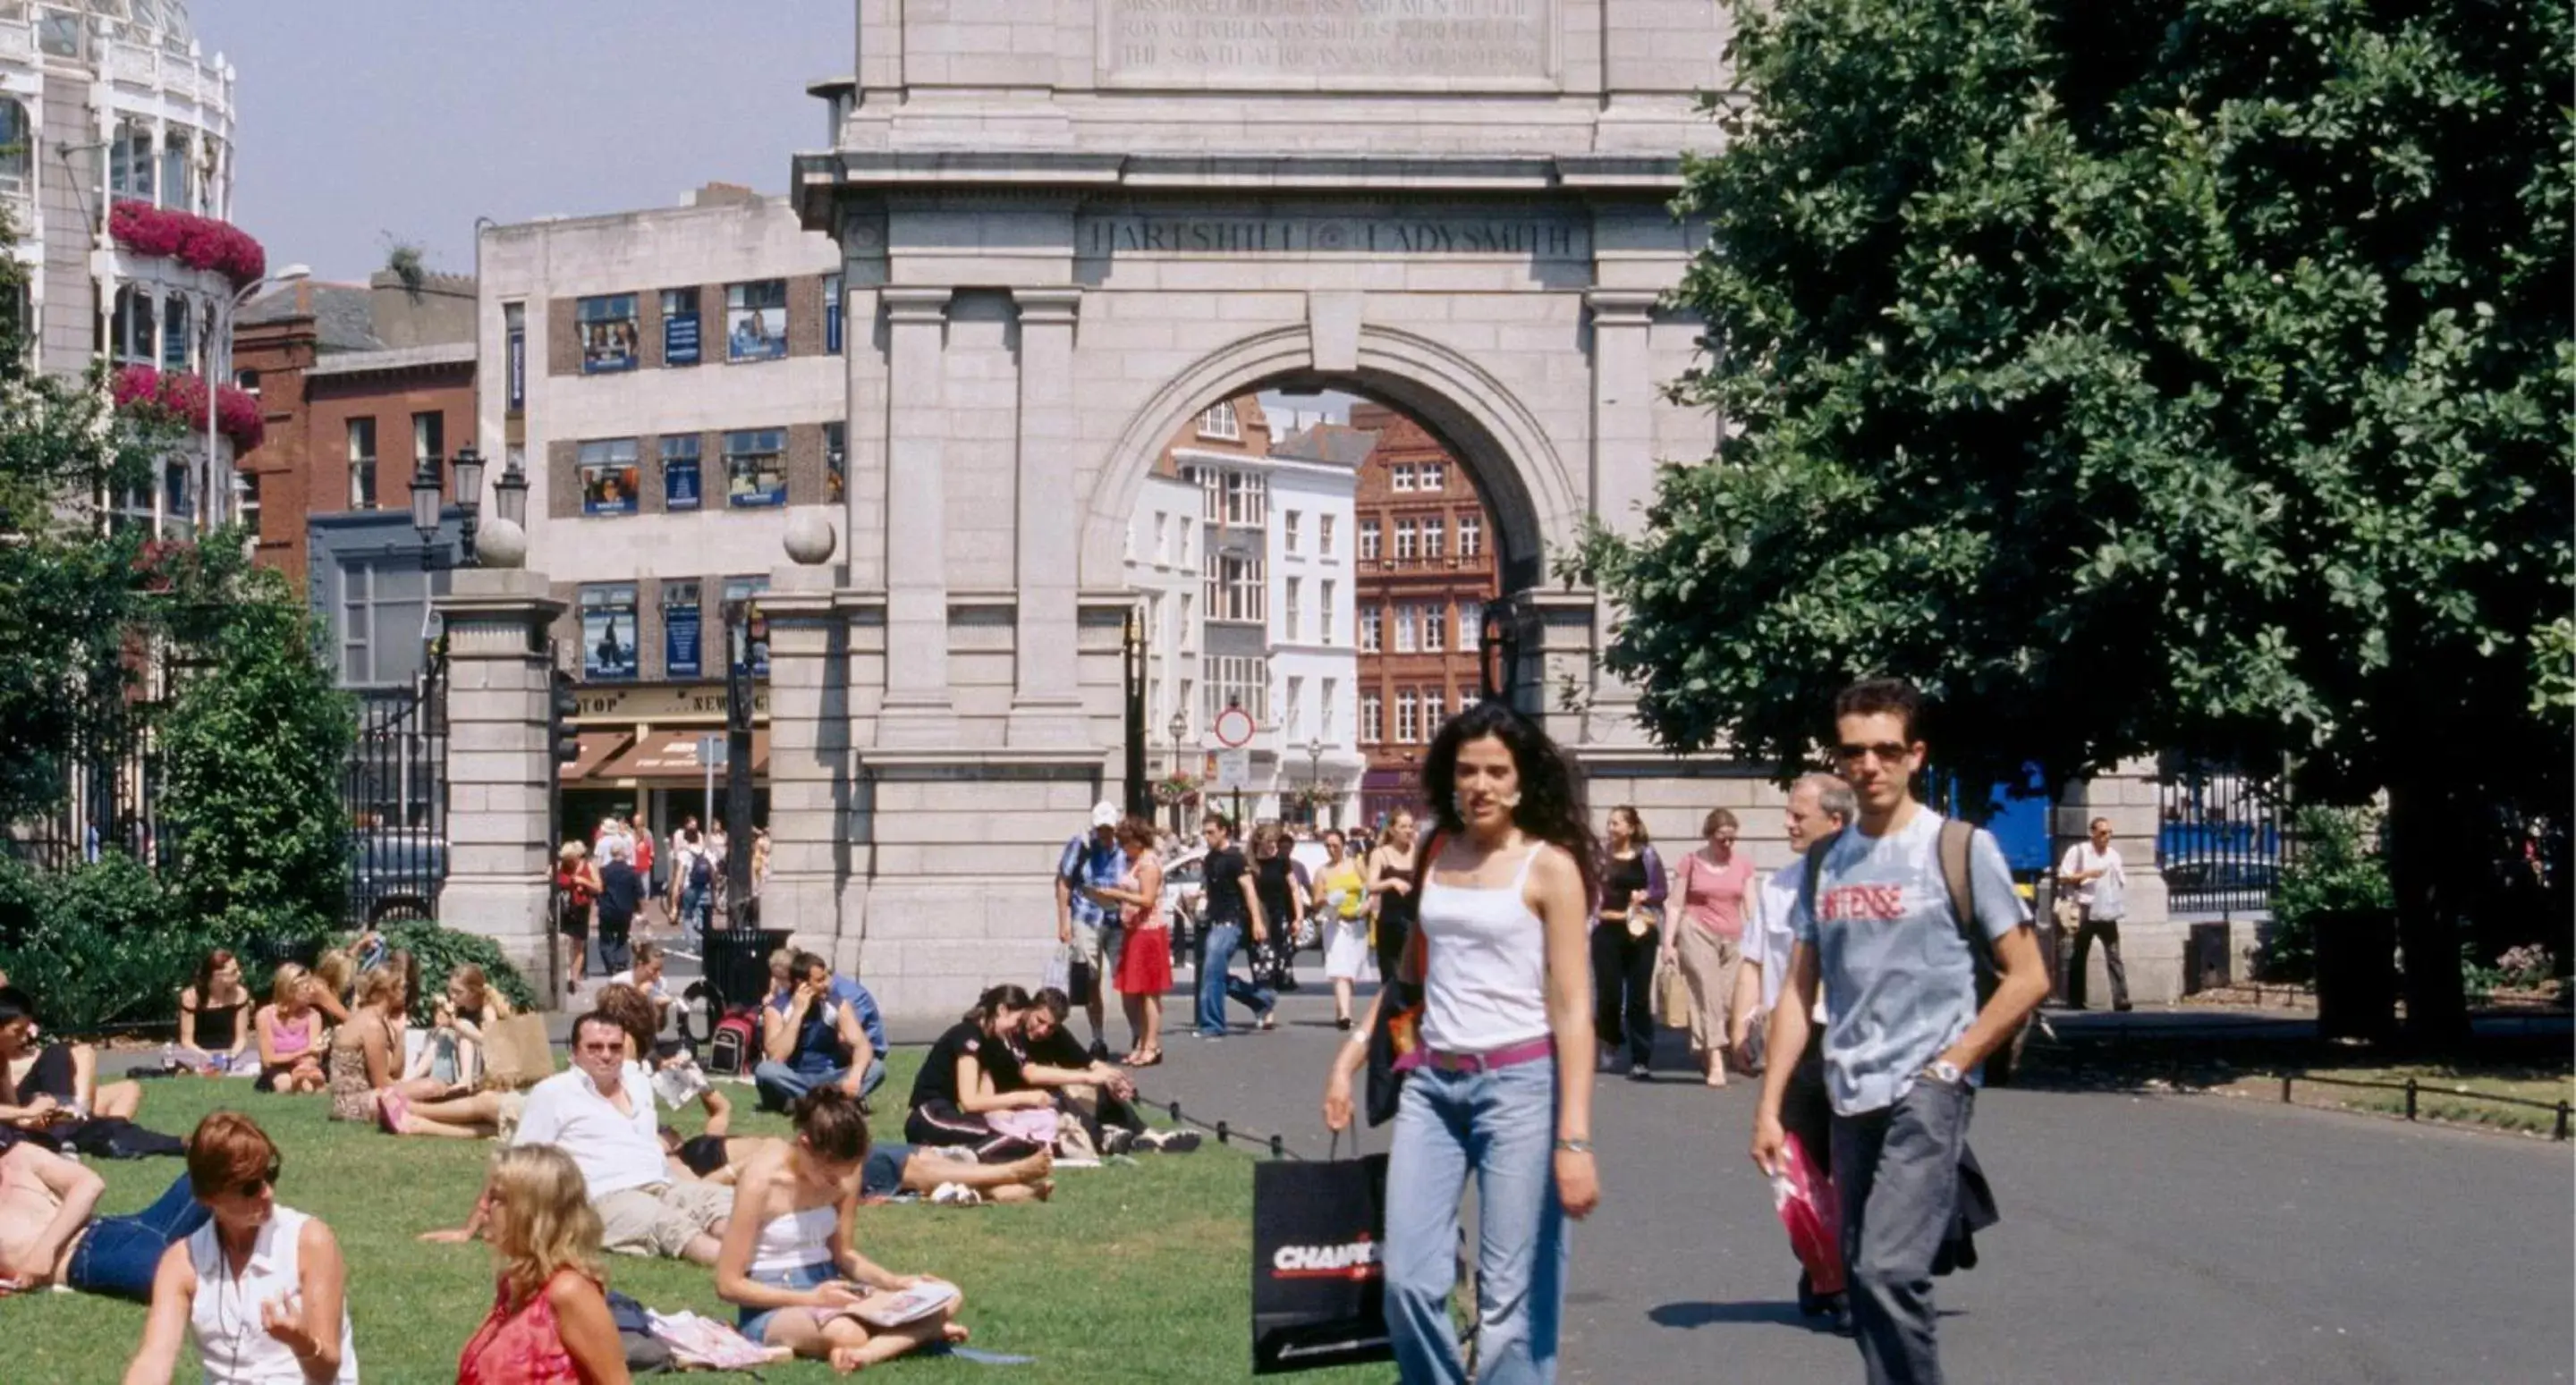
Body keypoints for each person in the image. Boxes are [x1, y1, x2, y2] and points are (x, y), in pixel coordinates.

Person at [1751, 679, 2051, 1385]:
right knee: (1859, 1275)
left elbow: (2029, 975)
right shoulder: (1827, 862)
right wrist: (1768, 1105)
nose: (1869, 766)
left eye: (1887, 750)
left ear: (1915, 755)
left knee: (1889, 1267)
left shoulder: (1958, 847)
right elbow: (1798, 991)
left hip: (1927, 1086)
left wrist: (1954, 1062)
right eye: (1854, 751)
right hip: (1847, 1087)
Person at [1320, 699, 1601, 1384]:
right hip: (1434, 1087)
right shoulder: (1437, 850)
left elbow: (1573, 1010)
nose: (1480, 785)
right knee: (1409, 1282)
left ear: (1523, 779)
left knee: (1510, 1305)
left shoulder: (1550, 867)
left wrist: (1574, 1140)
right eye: (1467, 770)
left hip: (1522, 1086)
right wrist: (1350, 1055)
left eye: (1496, 771)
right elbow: (1409, 977)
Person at [432, 1012, 734, 1264]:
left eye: (614, 1047)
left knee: (721, 1202)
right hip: (603, 1198)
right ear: (574, 1053)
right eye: (595, 1047)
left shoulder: (637, 1082)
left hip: (661, 1183)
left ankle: (765, 1263)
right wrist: (470, 1227)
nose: (606, 1055)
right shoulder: (554, 1092)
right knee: (669, 1224)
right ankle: (739, 1271)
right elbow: (514, 1166)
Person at [715, 1089, 969, 1371]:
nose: (838, 1185)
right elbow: (728, 1284)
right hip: (774, 1303)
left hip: (834, 1290)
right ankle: (910, 1336)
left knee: (947, 1294)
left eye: (849, 1174)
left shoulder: (846, 1174)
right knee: (848, 1332)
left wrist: (894, 1282)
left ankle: (876, 1348)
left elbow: (844, 1254)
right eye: (830, 1175)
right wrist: (811, 1299)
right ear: (804, 1144)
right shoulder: (761, 1182)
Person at [121, 1111, 357, 1384]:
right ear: (209, 1197)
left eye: (270, 1175)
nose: (266, 1192)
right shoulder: (181, 1263)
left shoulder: (310, 1242)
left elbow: (327, 1371)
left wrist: (301, 1343)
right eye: (249, 1187)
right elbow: (154, 1360)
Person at [1745, 772, 1855, 1327]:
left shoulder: (1860, 885)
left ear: (1835, 821)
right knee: (1797, 1165)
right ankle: (1820, 1267)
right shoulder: (1780, 886)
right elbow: (1756, 961)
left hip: (1851, 1039)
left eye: (1798, 814)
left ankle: (1849, 1276)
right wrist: (1746, 1020)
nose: (1787, 822)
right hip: (1797, 1042)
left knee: (1854, 1165)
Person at [454, 1144, 633, 1385]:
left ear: (533, 1213)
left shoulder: (569, 1293)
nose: (484, 1207)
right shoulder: (516, 1283)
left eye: (497, 1198)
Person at [0, 1137, 207, 1301]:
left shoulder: (20, 1156)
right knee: (192, 1283)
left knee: (218, 1165)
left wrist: (44, 1250)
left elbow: (89, 1184)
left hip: (122, 1227)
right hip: (88, 1259)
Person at [326, 967, 509, 1138]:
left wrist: (400, 1035)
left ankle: (458, 1113)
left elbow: (395, 1071)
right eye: (403, 988)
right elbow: (382, 1083)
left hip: (358, 1099)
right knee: (432, 1087)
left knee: (431, 1086)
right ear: (388, 991)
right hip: (354, 1104)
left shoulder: (374, 1018)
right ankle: (462, 1115)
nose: (407, 992)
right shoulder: (372, 1025)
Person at [664, 1127, 1056, 1205]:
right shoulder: (675, 1164)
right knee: (921, 1172)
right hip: (809, 1161)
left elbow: (721, 1110)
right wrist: (739, 1169)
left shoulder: (692, 1144)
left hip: (811, 1156)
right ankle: (1012, 1173)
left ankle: (1021, 1191)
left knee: (926, 1167)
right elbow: (701, 1190)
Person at [1015, 989, 1199, 1155]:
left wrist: (1115, 1078)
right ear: (1031, 1008)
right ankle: (1105, 1137)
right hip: (1020, 1101)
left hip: (1046, 1099)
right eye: (1039, 1021)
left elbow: (1091, 1063)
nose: (1042, 1030)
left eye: (1051, 1027)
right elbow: (1031, 1074)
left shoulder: (1055, 1034)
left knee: (1103, 1086)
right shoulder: (1012, 1032)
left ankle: (1147, 1135)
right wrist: (1088, 1078)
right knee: (1058, 1097)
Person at [903, 985, 1055, 1163]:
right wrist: (1024, 1097)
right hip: (928, 1116)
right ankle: (954, 1158)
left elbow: (985, 1100)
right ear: (1002, 1010)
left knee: (1016, 1137)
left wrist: (1012, 1116)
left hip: (947, 1115)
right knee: (1010, 1140)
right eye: (1018, 1020)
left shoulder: (989, 1043)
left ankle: (952, 1156)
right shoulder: (967, 1036)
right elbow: (970, 1102)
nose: (1017, 1029)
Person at [1663, 807, 1758, 1086]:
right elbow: (1675, 904)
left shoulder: (1743, 865)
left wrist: (1757, 939)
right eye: (1721, 839)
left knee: (1729, 1000)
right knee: (1707, 994)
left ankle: (1705, 1046)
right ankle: (1717, 1059)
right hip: (1697, 931)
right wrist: (1668, 943)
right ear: (1709, 836)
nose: (1727, 845)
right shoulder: (1690, 862)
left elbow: (1751, 905)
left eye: (1732, 839)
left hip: (1733, 936)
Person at [1084, 816, 1171, 1065]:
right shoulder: (1136, 862)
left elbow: (1147, 899)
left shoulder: (1149, 864)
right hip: (1135, 929)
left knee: (1149, 993)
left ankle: (1151, 1045)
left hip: (1149, 931)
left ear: (1136, 840)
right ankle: (1142, 1042)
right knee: (1136, 991)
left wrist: (1115, 893)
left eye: (1125, 843)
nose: (1123, 848)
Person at [755, 952, 887, 1112]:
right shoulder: (776, 1009)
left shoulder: (837, 1004)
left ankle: (808, 1102)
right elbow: (777, 1057)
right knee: (766, 1071)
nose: (827, 984)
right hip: (795, 1077)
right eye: (820, 980)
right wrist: (797, 1013)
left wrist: (855, 1076)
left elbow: (863, 1046)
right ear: (801, 984)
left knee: (876, 1067)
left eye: (826, 977)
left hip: (831, 1077)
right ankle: (834, 1103)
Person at [1594, 805, 1668, 1080]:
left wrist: (1645, 895)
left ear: (1631, 827)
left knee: (1638, 997)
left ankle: (1640, 1059)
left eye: (1616, 823)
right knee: (1609, 993)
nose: (1611, 828)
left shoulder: (1647, 855)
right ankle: (1610, 1039)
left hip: (1640, 930)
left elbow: (1662, 890)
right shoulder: (1601, 857)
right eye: (1609, 823)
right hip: (1607, 927)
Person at [0, 984, 144, 1125]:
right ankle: (76, 1123)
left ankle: (83, 1119)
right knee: (61, 1053)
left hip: (43, 1099)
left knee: (128, 1088)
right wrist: (29, 1112)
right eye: (18, 1031)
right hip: (25, 1100)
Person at [1054, 800, 1130, 1060]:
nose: (1105, 835)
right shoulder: (1081, 845)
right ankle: (1098, 1037)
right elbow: (1064, 882)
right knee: (1090, 978)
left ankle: (1140, 1035)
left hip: (1118, 919)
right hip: (1086, 915)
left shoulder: (1125, 847)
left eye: (1109, 829)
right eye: (1101, 829)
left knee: (1128, 978)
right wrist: (1063, 922)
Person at [1191, 813, 1276, 1039]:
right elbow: (1212, 891)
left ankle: (1213, 1026)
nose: (1207, 837)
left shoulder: (1235, 858)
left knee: (1211, 972)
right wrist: (1198, 900)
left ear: (1223, 831)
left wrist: (1257, 922)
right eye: (1205, 833)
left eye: (1211, 832)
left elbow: (1249, 889)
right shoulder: (1209, 860)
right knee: (1214, 974)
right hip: (1215, 920)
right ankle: (1261, 1000)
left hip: (1232, 921)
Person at [2057, 816, 2132, 1012]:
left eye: (2109, 833)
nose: (2106, 837)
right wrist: (2087, 874)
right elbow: (2063, 876)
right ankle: (2076, 1000)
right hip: (2085, 907)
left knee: (2114, 954)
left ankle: (2121, 999)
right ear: (2092, 833)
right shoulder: (2079, 852)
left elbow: (2121, 880)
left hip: (2106, 909)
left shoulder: (2113, 855)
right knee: (2079, 955)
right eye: (2102, 833)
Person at [1313, 829, 1372, 1029]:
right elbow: (1316, 901)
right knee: (1340, 970)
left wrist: (1368, 905)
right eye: (1327, 846)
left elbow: (1371, 887)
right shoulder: (1322, 871)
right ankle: (1345, 1016)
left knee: (1351, 971)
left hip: (1356, 923)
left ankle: (1342, 1009)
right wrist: (1326, 899)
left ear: (1344, 845)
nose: (1331, 850)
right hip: (1335, 923)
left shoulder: (1356, 864)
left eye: (1335, 845)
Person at [171, 949, 256, 1077]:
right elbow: (186, 1041)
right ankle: (207, 1069)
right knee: (172, 1053)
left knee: (255, 1056)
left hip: (229, 1052)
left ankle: (206, 1070)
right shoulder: (191, 997)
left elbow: (241, 1038)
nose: (239, 975)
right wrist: (208, 1056)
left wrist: (230, 1055)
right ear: (217, 975)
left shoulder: (240, 995)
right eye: (233, 972)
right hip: (198, 1053)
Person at [1251, 824, 1309, 1001]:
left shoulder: (1282, 862)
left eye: (1275, 842)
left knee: (1280, 956)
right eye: (1269, 842)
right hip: (1260, 916)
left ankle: (1272, 992)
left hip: (1279, 914)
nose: (1272, 847)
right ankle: (1265, 1001)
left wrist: (1299, 917)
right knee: (1263, 960)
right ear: (1259, 842)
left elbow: (1294, 888)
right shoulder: (1251, 863)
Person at [1365, 808, 1422, 983]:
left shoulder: (1419, 852)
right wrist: (1392, 882)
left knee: (1416, 978)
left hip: (1417, 921)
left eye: (1411, 826)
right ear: (1392, 830)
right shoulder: (1381, 854)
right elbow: (1370, 885)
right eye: (1403, 826)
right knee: (1392, 978)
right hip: (1391, 922)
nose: (1408, 831)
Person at [251, 965, 327, 1095]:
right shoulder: (265, 1015)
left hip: (304, 1066)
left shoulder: (313, 1015)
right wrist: (302, 1053)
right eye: (306, 988)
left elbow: (315, 1054)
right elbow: (268, 1059)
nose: (312, 992)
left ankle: (305, 1084)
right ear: (290, 990)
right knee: (285, 1084)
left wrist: (303, 1066)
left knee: (310, 1082)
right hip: (276, 1069)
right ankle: (299, 1084)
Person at [553, 841, 602, 997]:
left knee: (579, 945)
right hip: (565, 909)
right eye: (567, 860)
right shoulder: (561, 866)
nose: (570, 863)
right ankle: (566, 975)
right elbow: (550, 878)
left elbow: (599, 887)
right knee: (565, 942)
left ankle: (574, 978)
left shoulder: (588, 866)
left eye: (571, 860)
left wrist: (584, 882)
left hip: (581, 908)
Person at [594, 836, 645, 979]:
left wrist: (597, 904)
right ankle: (621, 963)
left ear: (611, 853)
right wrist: (642, 911)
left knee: (606, 937)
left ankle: (610, 964)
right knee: (623, 936)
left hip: (607, 908)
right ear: (624, 853)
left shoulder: (604, 871)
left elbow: (598, 889)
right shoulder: (632, 872)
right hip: (625, 909)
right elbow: (639, 893)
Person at [672, 822, 715, 945]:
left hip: (689, 889)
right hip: (705, 889)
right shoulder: (707, 853)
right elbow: (713, 873)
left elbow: (679, 877)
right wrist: (714, 890)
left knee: (687, 916)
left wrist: (675, 902)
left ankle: (692, 943)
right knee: (706, 918)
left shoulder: (684, 854)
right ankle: (704, 937)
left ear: (686, 839)